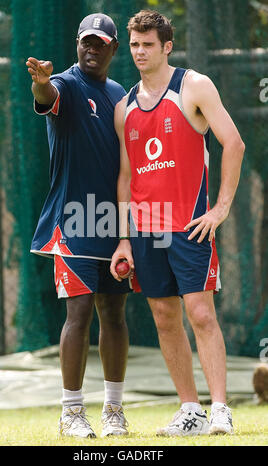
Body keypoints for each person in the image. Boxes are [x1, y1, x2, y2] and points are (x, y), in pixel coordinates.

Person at [110, 10, 245, 436]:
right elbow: (126, 179)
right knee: (164, 318)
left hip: (191, 225)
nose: (139, 52)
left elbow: (234, 142)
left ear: (166, 46)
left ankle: (220, 407)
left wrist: (220, 208)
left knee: (200, 313)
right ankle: (190, 408)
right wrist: (123, 240)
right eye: (134, 44)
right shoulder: (123, 108)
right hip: (145, 232)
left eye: (148, 44)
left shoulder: (194, 86)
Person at [26, 13, 131, 439]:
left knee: (115, 314)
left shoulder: (120, 94)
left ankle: (114, 411)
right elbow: (46, 95)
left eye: (100, 42)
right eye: (85, 41)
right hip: (71, 223)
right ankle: (71, 412)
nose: (91, 48)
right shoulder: (66, 85)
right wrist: (41, 82)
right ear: (77, 44)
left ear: (113, 49)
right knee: (80, 312)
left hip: (111, 223)